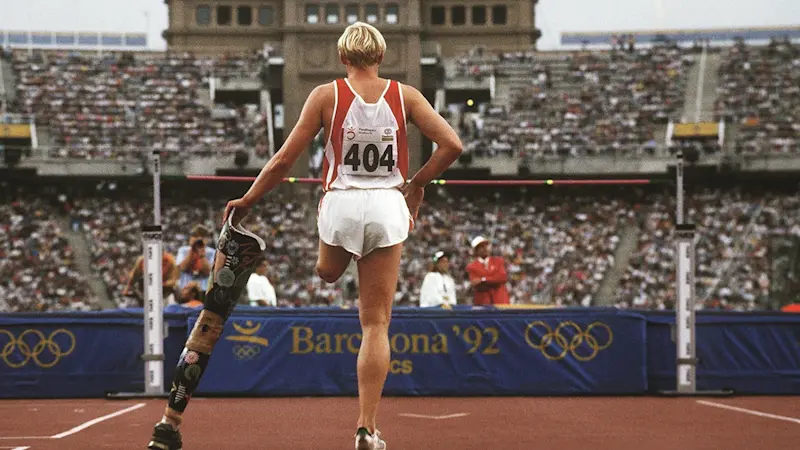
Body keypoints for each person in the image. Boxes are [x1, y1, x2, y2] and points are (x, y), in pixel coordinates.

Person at [149, 21, 461, 450]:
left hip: (341, 205)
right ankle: (367, 429)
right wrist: (417, 184)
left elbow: (282, 162)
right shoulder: (405, 96)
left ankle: (333, 259)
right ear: (382, 57)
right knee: (375, 323)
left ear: (342, 58)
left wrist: (248, 199)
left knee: (328, 273)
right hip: (389, 203)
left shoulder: (325, 95)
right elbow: (452, 145)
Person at [466, 236, 510, 306]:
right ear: (476, 250)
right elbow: (476, 284)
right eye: (481, 247)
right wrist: (493, 278)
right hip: (483, 303)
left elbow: (502, 278)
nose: (485, 248)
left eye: (486, 246)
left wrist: (483, 279)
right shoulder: (472, 266)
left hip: (500, 301)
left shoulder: (498, 261)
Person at [175, 225, 216, 291]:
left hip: (204, 290)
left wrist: (202, 254)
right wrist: (192, 249)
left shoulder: (212, 252)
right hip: (185, 290)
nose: (198, 239)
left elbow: (209, 272)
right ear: (190, 238)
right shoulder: (183, 250)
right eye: (195, 236)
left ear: (206, 240)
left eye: (202, 237)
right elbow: (182, 268)